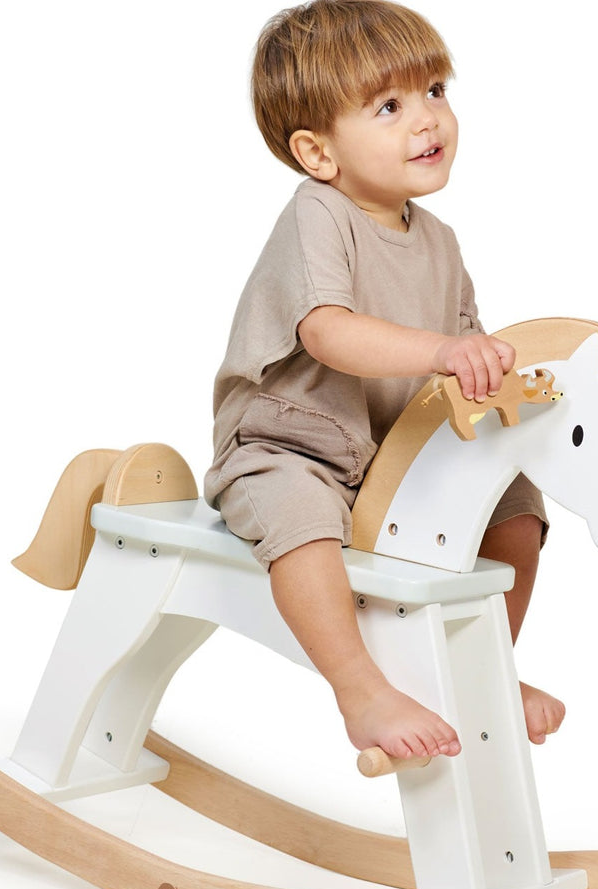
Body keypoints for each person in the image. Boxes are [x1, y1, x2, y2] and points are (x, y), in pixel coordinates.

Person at [204, 0, 565, 759]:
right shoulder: (319, 214)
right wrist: (443, 351)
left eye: (435, 90)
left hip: (388, 459)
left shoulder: (441, 241)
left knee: (515, 504)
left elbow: (464, 355)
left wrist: (495, 377)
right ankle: (359, 689)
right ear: (318, 152)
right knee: (301, 516)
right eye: (390, 106)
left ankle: (485, 668)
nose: (428, 118)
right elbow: (327, 331)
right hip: (288, 445)